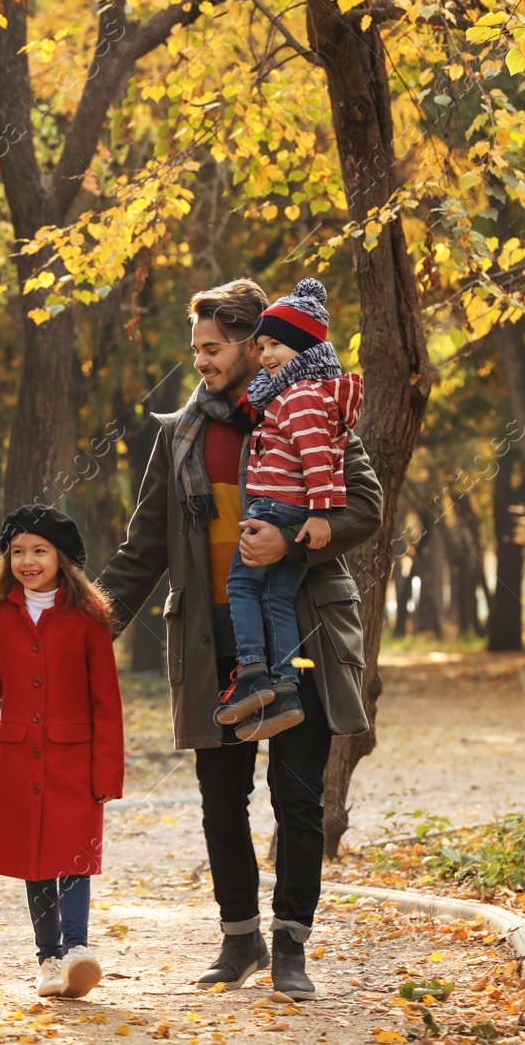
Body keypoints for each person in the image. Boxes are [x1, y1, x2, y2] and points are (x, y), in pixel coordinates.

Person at [96, 279, 381, 1001]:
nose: (200, 363)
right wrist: (90, 625)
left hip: (301, 634)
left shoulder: (306, 407)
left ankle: (291, 948)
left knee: (297, 797)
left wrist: (290, 538)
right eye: (196, 350)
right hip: (212, 640)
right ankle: (239, 939)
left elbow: (365, 505)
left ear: (255, 345)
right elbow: (144, 547)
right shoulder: (180, 433)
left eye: (213, 348)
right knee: (221, 798)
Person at [0, 506, 124, 1000]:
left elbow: (107, 698)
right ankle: (48, 961)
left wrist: (107, 773)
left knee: (76, 855)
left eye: (39, 551)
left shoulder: (89, 617)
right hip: (18, 758)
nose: (28, 561)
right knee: (34, 861)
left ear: (61, 558)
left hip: (73, 759)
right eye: (18, 552)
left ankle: (77, 949)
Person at [217, 278, 364, 737]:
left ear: (306, 347)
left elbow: (318, 458)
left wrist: (320, 514)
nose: (267, 355)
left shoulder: (298, 396)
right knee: (277, 597)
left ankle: (252, 673)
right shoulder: (304, 392)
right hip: (292, 508)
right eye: (261, 346)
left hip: (279, 506)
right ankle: (283, 689)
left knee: (241, 584)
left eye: (276, 344)